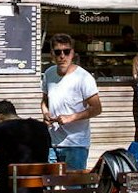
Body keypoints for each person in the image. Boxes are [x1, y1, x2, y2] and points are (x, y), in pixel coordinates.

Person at [41, 34, 101, 172]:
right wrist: (45, 113)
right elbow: (44, 101)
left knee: (74, 190)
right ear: (52, 54)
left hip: (76, 144)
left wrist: (71, 117)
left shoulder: (83, 78)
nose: (62, 56)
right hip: (52, 142)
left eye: (66, 52)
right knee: (49, 187)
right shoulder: (49, 73)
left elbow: (97, 108)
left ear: (72, 53)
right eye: (58, 52)